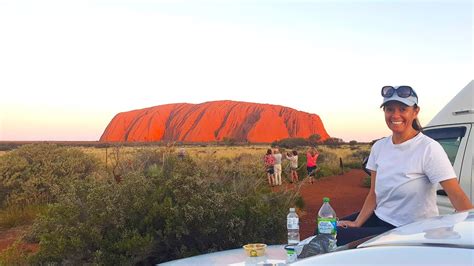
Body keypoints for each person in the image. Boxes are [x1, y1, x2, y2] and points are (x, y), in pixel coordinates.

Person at [335, 85, 473, 246]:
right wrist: (358, 222)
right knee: (326, 231)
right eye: (390, 109)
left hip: (412, 229)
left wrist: (471, 230)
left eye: (402, 109)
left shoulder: (428, 148)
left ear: (415, 112)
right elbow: (374, 193)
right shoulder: (379, 147)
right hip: (380, 217)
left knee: (336, 238)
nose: (395, 115)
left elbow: (456, 195)